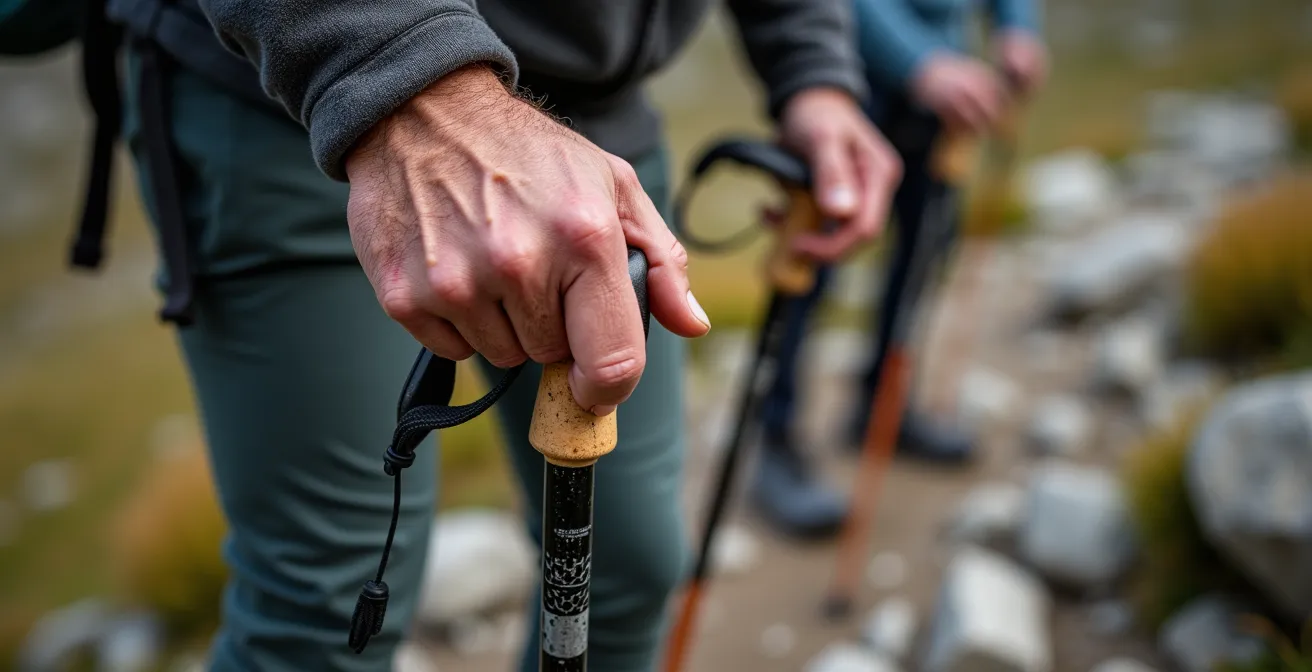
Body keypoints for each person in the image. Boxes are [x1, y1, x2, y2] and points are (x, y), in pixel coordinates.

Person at [3, 0, 901, 669]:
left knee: (630, 567)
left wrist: (813, 71)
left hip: (600, 122)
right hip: (307, 103)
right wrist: (401, 74)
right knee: (323, 613)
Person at [749, 0, 1048, 539]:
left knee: (924, 252)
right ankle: (775, 439)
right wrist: (919, 62)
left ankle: (882, 405)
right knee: (814, 261)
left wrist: (1017, 27)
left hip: (947, 85)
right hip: (850, 75)